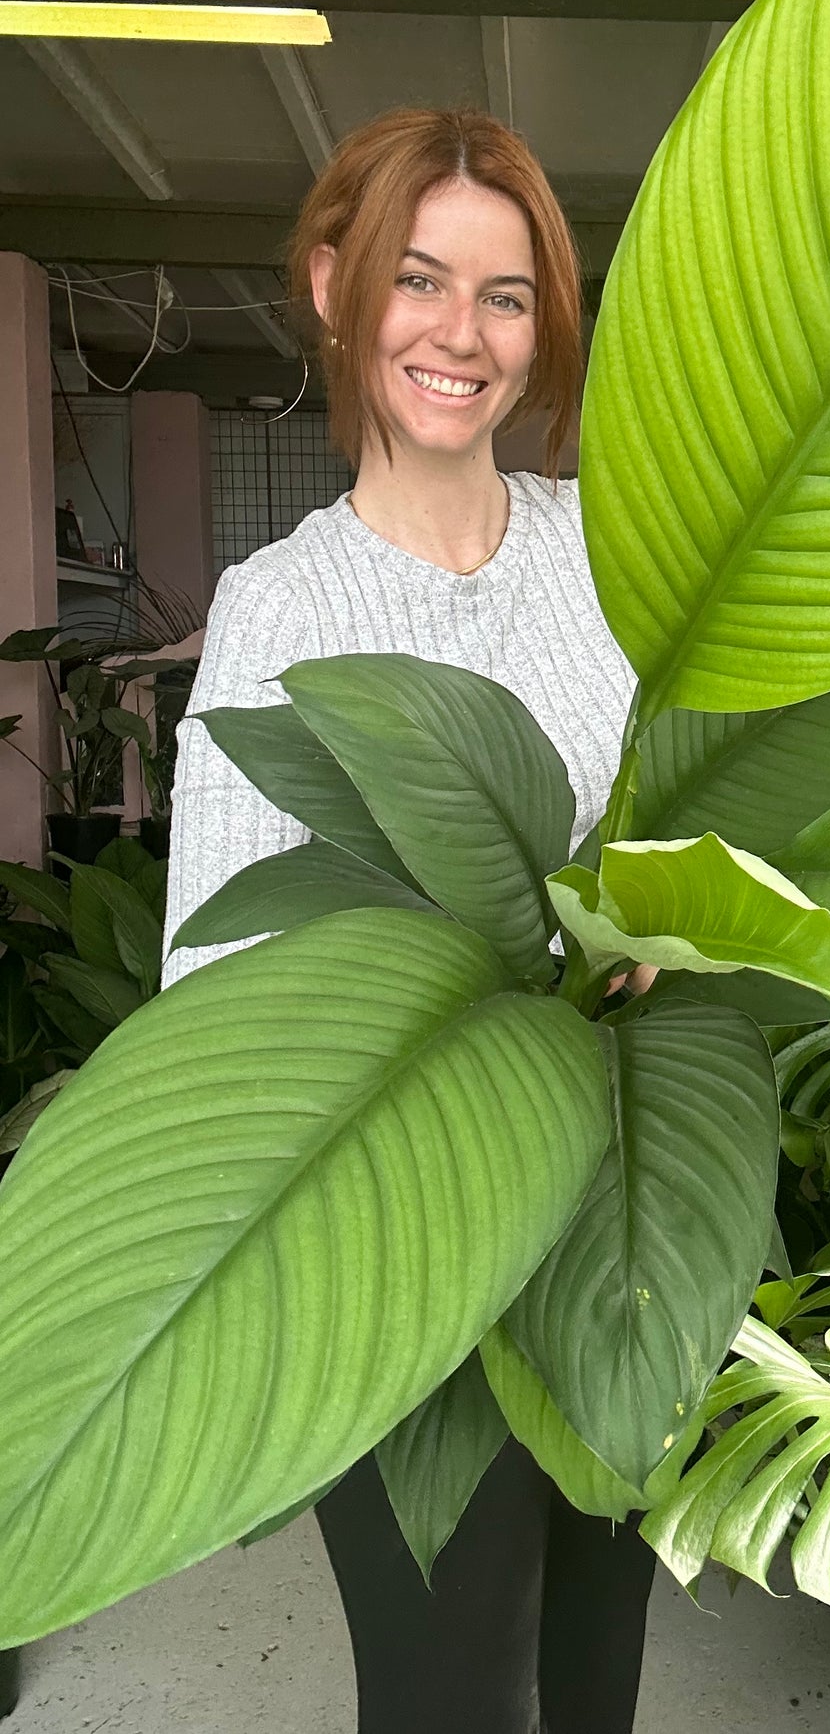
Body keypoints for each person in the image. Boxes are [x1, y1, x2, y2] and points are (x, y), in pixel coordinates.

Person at [160, 107, 657, 1733]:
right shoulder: (283, 605)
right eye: (419, 281)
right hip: (404, 1235)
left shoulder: (605, 561)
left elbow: (678, 826)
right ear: (331, 288)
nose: (462, 334)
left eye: (506, 296)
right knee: (445, 1694)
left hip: (618, 1217)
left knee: (593, 1678)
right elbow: (217, 963)